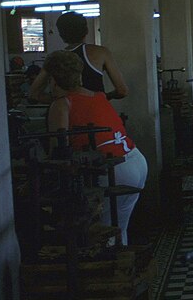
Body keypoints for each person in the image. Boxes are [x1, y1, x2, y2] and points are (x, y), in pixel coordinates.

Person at [42, 50, 148, 245]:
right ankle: (120, 267)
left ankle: (107, 270)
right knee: (117, 229)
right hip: (135, 160)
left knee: (102, 234)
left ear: (53, 80)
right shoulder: (99, 96)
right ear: (79, 75)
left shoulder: (62, 105)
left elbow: (58, 151)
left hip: (114, 170)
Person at [31, 11, 128, 103]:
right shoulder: (101, 52)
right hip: (96, 113)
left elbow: (34, 94)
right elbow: (122, 91)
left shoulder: (54, 58)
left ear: (61, 34)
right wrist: (102, 97)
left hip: (69, 115)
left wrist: (61, 101)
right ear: (86, 30)